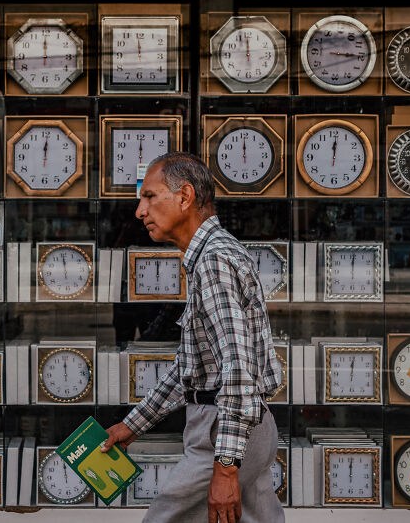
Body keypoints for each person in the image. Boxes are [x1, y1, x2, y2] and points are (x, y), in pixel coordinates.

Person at [101, 152, 284, 523]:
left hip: (225, 430)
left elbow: (238, 370)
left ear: (184, 197)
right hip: (246, 426)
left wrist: (226, 468)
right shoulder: (212, 255)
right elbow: (190, 369)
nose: (140, 211)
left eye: (150, 196)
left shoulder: (214, 261)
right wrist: (132, 424)